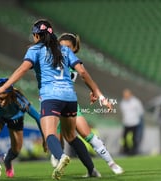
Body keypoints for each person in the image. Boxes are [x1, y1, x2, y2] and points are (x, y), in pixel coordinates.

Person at [0, 19, 112, 180]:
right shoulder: (64, 50)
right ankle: (92, 170)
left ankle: (60, 156)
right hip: (70, 98)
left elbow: (22, 69)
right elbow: (82, 72)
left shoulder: (35, 50)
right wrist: (96, 92)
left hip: (51, 97)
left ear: (36, 35)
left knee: (49, 134)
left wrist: (3, 87)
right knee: (72, 136)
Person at [50, 33, 123, 175]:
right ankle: (58, 156)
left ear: (75, 48)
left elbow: (85, 77)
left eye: (68, 47)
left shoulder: (74, 62)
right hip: (55, 101)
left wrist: (98, 95)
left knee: (85, 134)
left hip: (69, 102)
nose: (64, 49)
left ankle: (111, 163)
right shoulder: (53, 59)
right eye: (61, 46)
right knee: (57, 134)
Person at [0, 78, 44, 178]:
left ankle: (7, 160)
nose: (3, 102)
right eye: (1, 99)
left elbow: (37, 117)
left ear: (11, 95)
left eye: (6, 98)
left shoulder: (20, 100)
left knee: (17, 149)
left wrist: (45, 139)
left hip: (16, 118)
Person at [120, 88, 144, 155]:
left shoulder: (136, 102)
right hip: (126, 123)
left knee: (134, 138)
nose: (125, 96)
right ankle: (126, 150)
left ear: (130, 94)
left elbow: (140, 112)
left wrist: (135, 118)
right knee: (124, 137)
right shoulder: (123, 102)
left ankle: (134, 151)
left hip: (134, 123)